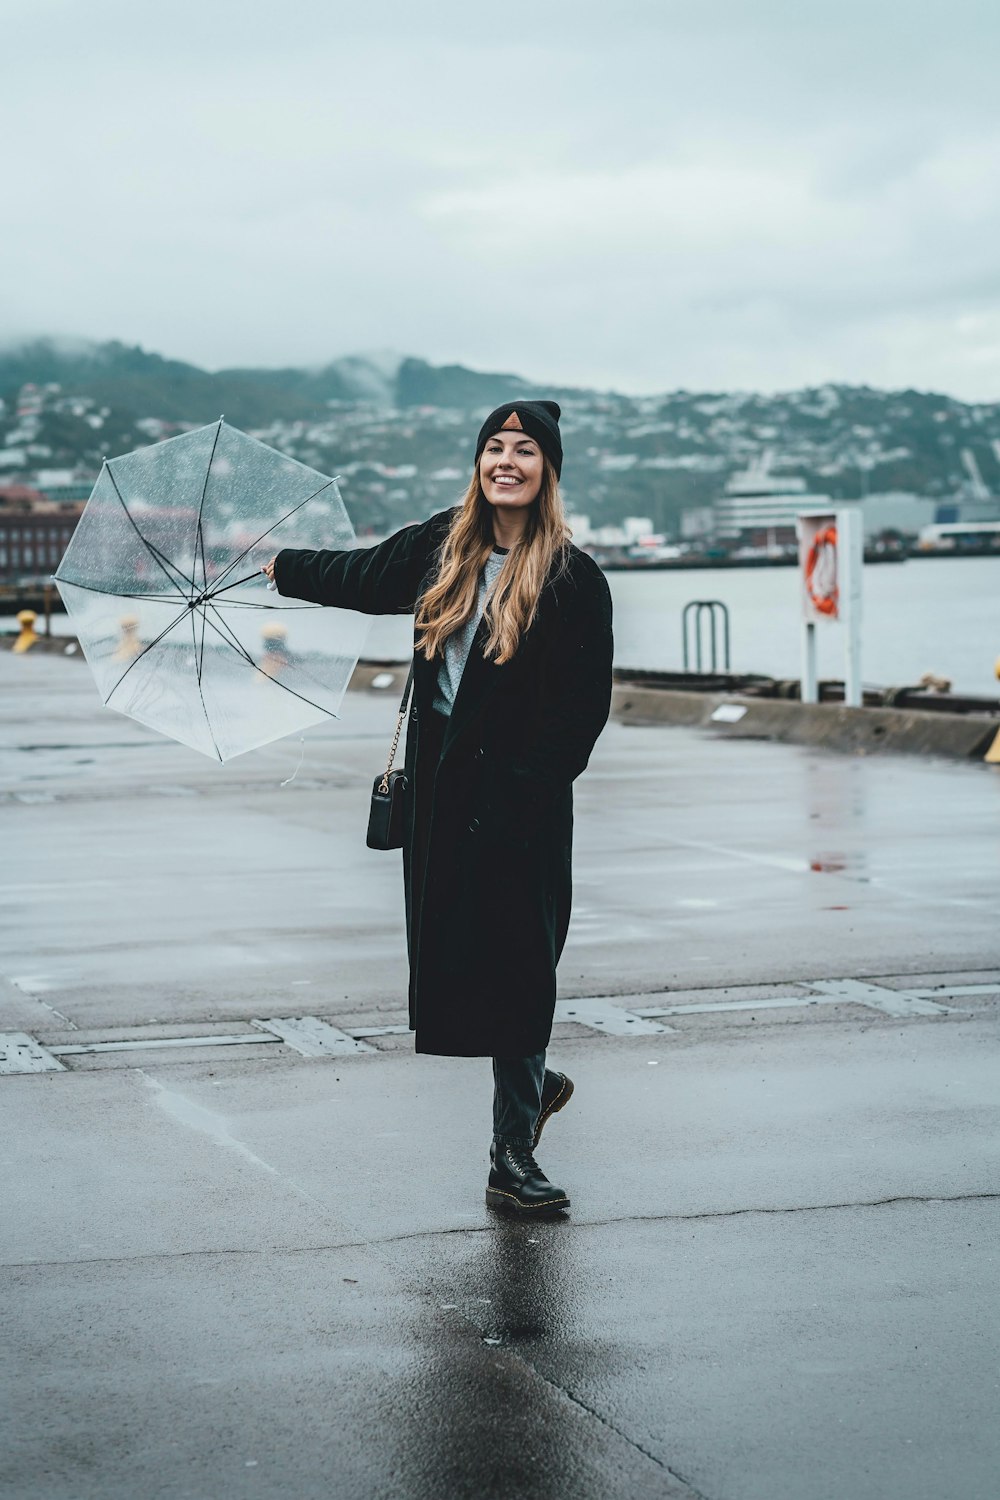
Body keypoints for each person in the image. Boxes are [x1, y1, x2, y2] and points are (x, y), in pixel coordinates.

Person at [263, 400, 613, 1214]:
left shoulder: (572, 578)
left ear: (547, 470)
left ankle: (510, 1157)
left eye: (525, 450)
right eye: (495, 446)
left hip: (521, 804)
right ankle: (534, 1078)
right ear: (478, 463)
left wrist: (526, 794)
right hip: (443, 801)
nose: (507, 461)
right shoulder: (438, 549)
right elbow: (354, 575)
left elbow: (580, 713)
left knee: (525, 970)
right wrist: (279, 566)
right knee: (464, 965)